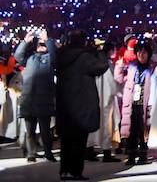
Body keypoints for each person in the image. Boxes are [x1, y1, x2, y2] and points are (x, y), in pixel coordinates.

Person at [56, 30, 110, 181]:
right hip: (82, 105)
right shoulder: (85, 57)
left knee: (66, 141)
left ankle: (65, 171)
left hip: (65, 106)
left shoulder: (61, 55)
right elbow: (101, 66)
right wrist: (99, 51)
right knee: (79, 141)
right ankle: (75, 171)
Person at [15, 30, 56, 163]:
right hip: (29, 99)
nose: (41, 46)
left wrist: (48, 40)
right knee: (30, 130)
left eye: (44, 45)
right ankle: (31, 153)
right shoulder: (29, 58)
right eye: (40, 44)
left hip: (44, 99)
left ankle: (48, 152)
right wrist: (25, 42)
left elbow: (55, 55)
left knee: (45, 130)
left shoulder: (50, 59)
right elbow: (18, 56)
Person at [115, 43, 155, 165]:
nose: (141, 55)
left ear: (148, 54)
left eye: (144, 52)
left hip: (145, 103)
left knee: (143, 130)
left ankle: (143, 156)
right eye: (139, 52)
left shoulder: (152, 68)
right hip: (133, 103)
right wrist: (119, 66)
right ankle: (132, 156)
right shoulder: (131, 67)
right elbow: (119, 79)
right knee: (132, 131)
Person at [86, 41, 122, 163]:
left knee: (93, 125)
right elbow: (112, 84)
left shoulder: (93, 63)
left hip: (93, 98)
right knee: (106, 125)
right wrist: (121, 91)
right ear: (110, 51)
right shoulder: (106, 64)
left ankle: (89, 150)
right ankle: (106, 152)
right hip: (106, 99)